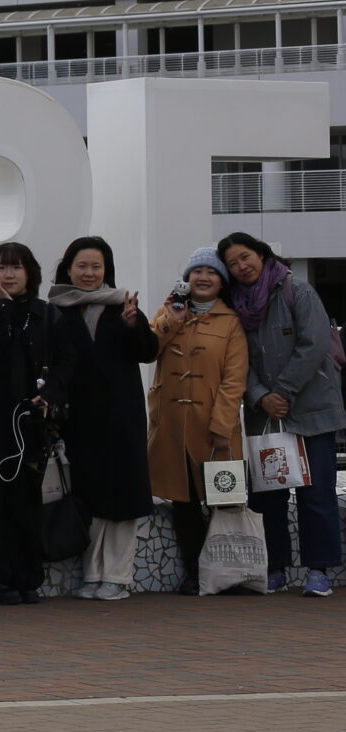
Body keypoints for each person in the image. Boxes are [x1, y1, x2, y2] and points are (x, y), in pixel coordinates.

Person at [0, 241, 82, 605]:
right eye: (1, 268)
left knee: (24, 501)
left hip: (29, 421)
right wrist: (5, 306)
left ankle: (24, 576)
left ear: (30, 274)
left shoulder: (48, 314)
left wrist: (50, 394)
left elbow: (67, 361)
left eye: (16, 268)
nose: (8, 275)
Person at [221, 231, 343, 595]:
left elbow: (313, 344)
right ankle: (275, 567)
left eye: (245, 257)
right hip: (266, 416)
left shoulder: (297, 291)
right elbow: (235, 359)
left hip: (312, 410)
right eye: (232, 263)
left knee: (316, 493)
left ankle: (319, 571)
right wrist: (260, 397)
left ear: (261, 255)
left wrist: (282, 391)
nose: (242, 266)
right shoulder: (233, 304)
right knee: (268, 496)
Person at [50, 236, 158, 601]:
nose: (89, 273)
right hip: (79, 419)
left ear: (106, 270)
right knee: (90, 495)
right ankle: (93, 574)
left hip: (122, 416)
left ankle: (118, 576)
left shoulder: (123, 306)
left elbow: (148, 352)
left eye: (96, 266)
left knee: (123, 497)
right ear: (68, 269)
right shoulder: (56, 310)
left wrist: (134, 325)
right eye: (82, 266)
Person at [148, 248, 250, 594]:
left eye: (212, 272)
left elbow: (234, 379)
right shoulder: (169, 312)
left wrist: (222, 425)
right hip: (172, 428)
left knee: (225, 503)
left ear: (222, 282)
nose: (203, 278)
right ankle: (195, 573)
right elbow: (148, 349)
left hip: (215, 430)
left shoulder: (231, 322)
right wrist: (172, 318)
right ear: (187, 278)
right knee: (185, 504)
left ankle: (228, 574)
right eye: (197, 271)